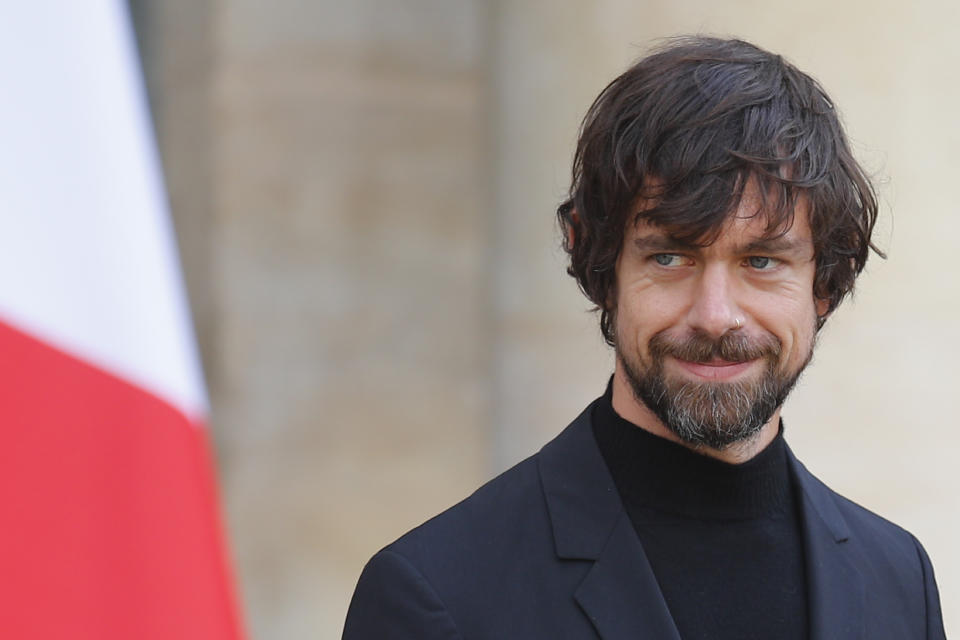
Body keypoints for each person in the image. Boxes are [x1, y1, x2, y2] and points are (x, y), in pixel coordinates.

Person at [342, 36, 946, 639]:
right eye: (670, 257)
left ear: (825, 284)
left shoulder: (898, 579)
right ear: (604, 269)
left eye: (761, 261)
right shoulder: (435, 592)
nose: (716, 316)